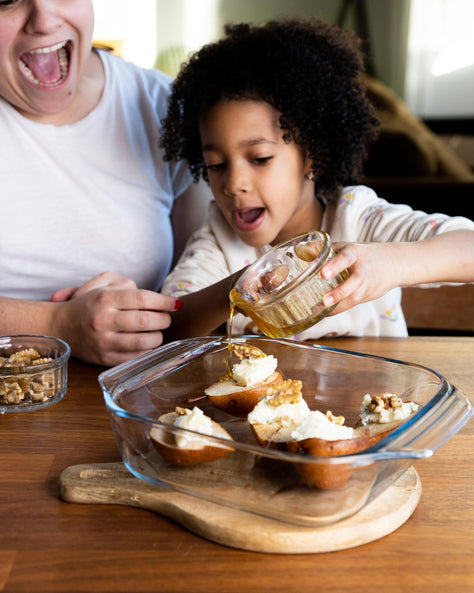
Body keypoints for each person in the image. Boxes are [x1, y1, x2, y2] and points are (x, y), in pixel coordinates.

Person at [159, 18, 474, 342]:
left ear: (315, 155)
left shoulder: (359, 220)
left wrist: (389, 262)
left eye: (260, 159)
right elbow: (169, 327)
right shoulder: (219, 240)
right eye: (216, 164)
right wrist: (242, 284)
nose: (234, 183)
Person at [0, 0, 210, 366]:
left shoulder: (164, 107)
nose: (45, 21)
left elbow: (210, 268)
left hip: (131, 400)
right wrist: (58, 324)